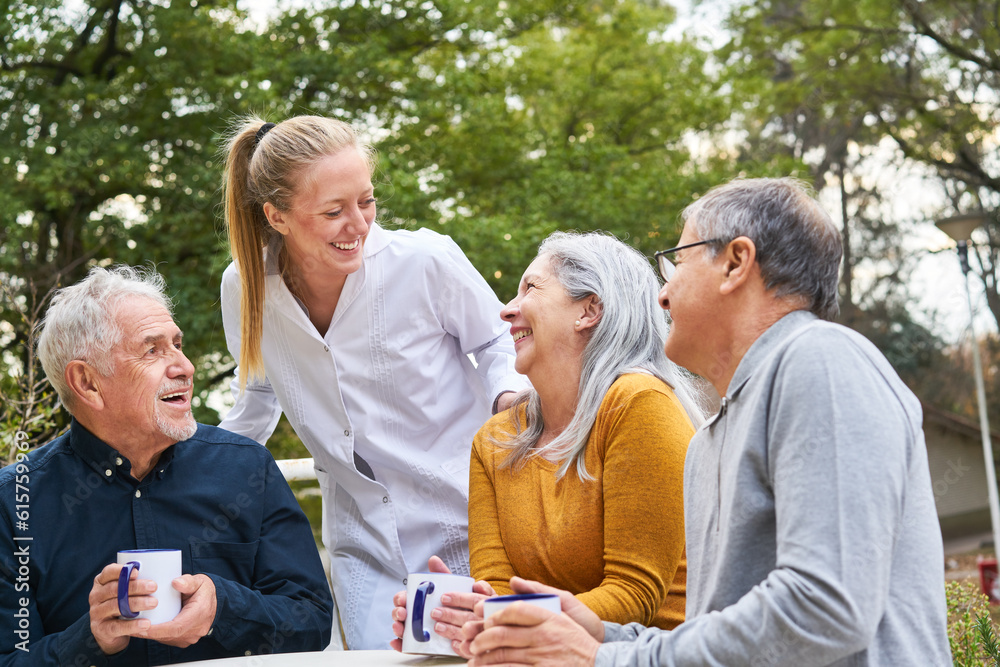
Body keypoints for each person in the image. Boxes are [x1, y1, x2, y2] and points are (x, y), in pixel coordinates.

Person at [464, 177, 952, 666]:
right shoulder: (709, 440)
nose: (661, 294)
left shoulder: (820, 360)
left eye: (677, 262)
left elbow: (825, 607)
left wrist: (604, 661)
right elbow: (712, 636)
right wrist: (598, 633)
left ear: (736, 263)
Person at [217, 114, 528, 649]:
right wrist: (198, 466)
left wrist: (507, 396)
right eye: (333, 211)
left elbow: (496, 339)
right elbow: (260, 393)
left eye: (366, 201)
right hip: (364, 546)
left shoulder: (423, 259)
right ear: (277, 216)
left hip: (472, 523)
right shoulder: (244, 288)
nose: (357, 224)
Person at [0, 266, 333, 666]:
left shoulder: (246, 468)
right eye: (153, 350)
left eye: (178, 344)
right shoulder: (14, 502)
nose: (185, 367)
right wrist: (89, 640)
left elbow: (311, 621)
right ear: (87, 383)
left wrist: (222, 609)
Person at [391, 231, 704, 656]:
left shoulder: (639, 404)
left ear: (589, 309)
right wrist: (462, 617)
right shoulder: (494, 439)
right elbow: (497, 589)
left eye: (531, 288)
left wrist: (503, 620)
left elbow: (634, 597)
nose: (507, 311)